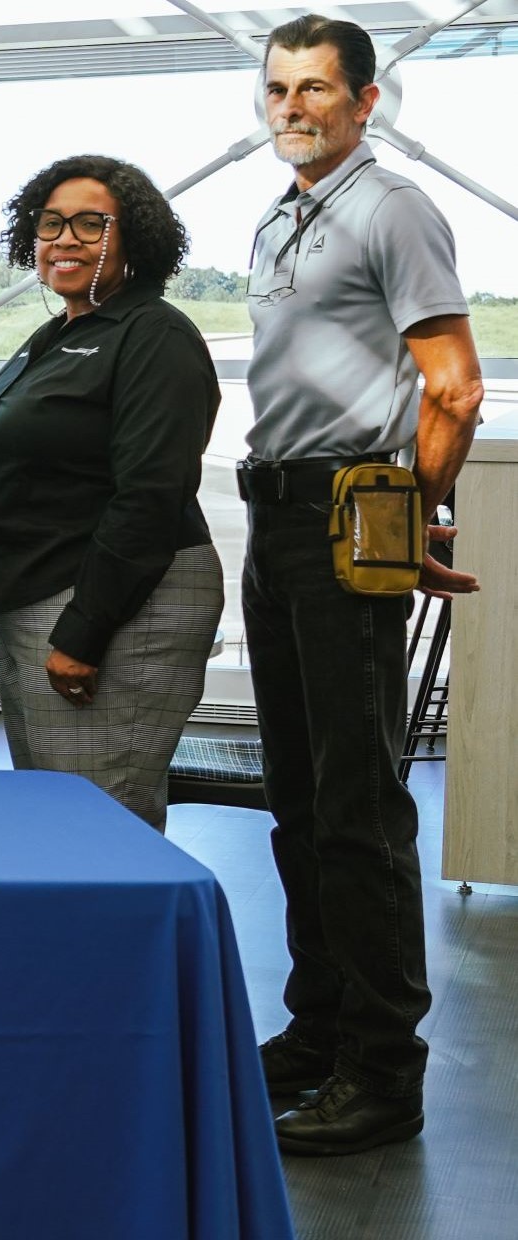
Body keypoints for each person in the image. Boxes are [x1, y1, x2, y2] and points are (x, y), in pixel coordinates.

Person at [239, 15, 484, 1156]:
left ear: (365, 101)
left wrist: (413, 515)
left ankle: (384, 1072)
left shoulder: (391, 211)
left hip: (346, 519)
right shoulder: (280, 217)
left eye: (315, 89)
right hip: (275, 515)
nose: (292, 105)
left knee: (358, 807)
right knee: (296, 797)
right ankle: (320, 1027)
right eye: (277, 87)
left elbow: (454, 383)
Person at [0, 156, 221, 829]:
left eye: (90, 224)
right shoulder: (58, 335)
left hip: (116, 606)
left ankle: (123, 940)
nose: (66, 239)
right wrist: (0, 616)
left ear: (135, 238)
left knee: (99, 822)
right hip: (41, 598)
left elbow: (151, 495)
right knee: (55, 820)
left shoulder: (154, 334)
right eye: (51, 224)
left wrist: (85, 630)